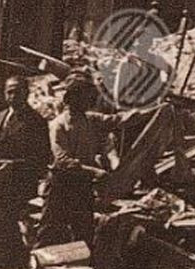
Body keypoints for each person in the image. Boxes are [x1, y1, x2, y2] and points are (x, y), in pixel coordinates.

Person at [36, 72, 134, 247]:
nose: (88, 101)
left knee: (84, 232)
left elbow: (118, 120)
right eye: (82, 97)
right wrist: (95, 171)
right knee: (49, 230)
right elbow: (63, 160)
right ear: (71, 98)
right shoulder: (58, 125)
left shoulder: (91, 119)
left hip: (82, 186)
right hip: (60, 185)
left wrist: (153, 110)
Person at [0, 76, 50, 269]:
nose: (13, 96)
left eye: (17, 91)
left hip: (18, 185)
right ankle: (18, 262)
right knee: (7, 228)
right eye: (9, 91)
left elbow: (42, 159)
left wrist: (13, 165)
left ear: (26, 93)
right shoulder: (1, 115)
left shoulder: (36, 121)